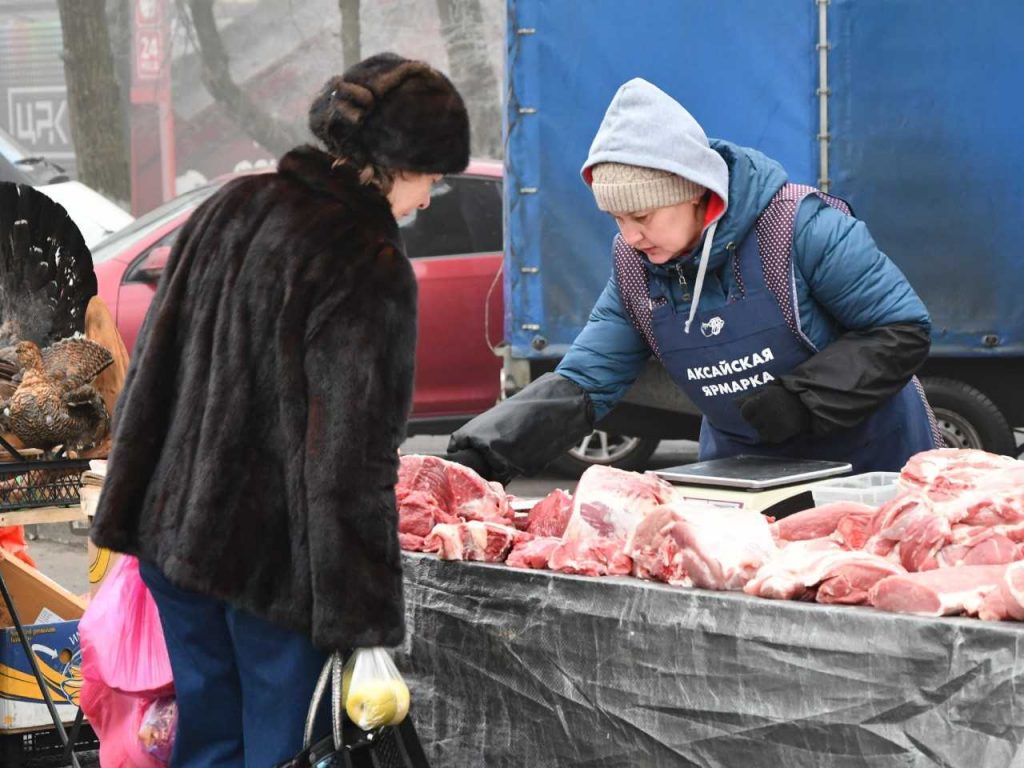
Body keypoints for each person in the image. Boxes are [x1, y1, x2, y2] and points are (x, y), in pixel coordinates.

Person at [89, 53, 470, 766]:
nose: (429, 198)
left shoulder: (232, 203)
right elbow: (352, 454)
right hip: (274, 567)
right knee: (286, 751)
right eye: (431, 178)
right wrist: (363, 618)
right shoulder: (366, 258)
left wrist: (131, 508)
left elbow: (154, 370)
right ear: (396, 165)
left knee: (208, 746)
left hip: (176, 542)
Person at [447, 77, 938, 483]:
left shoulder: (800, 229)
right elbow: (585, 381)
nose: (630, 236)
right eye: (617, 219)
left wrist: (803, 399)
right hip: (744, 473)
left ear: (695, 192)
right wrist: (486, 452)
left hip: (869, 469)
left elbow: (900, 329)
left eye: (642, 215)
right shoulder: (636, 270)